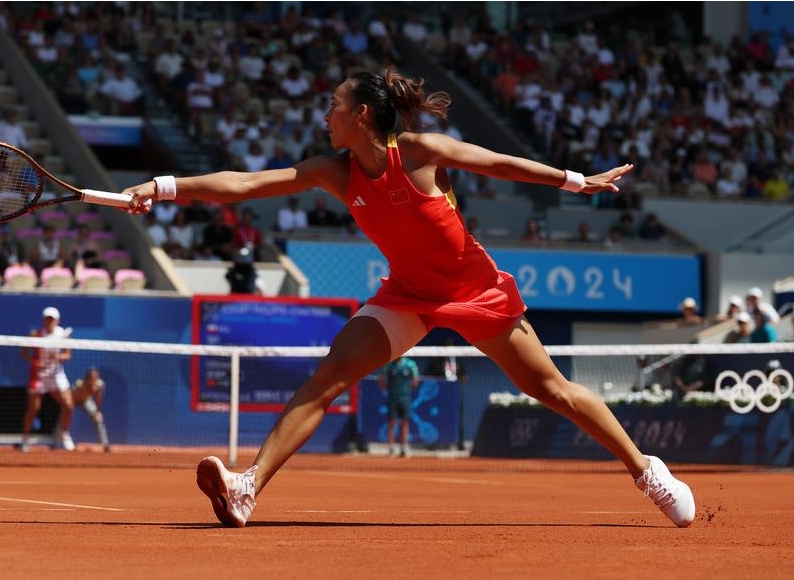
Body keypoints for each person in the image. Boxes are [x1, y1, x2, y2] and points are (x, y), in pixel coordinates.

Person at [122, 67, 695, 529]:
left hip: (474, 290)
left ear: (361, 115)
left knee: (552, 390)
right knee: (329, 376)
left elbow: (498, 163)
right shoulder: (334, 171)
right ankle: (247, 488)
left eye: (334, 106)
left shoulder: (419, 152)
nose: (325, 116)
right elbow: (244, 184)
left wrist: (575, 180)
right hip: (409, 295)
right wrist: (161, 187)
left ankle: (647, 471)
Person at [18, 306, 75, 452]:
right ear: (43, 320)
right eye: (47, 319)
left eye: (52, 319)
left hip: (56, 375)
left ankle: (64, 433)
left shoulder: (63, 335)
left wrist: (58, 356)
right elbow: (24, 353)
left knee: (68, 405)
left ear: (57, 320)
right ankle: (25, 439)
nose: (50, 322)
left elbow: (68, 355)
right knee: (33, 408)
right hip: (39, 376)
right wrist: (36, 363)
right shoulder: (35, 334)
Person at [377, 356, 420, 458]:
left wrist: (406, 390)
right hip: (392, 398)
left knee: (405, 422)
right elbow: (381, 380)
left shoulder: (410, 364)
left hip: (405, 398)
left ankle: (404, 448)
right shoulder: (389, 365)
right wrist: (390, 389)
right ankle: (391, 448)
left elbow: (415, 381)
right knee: (391, 422)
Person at [68, 366, 111, 452]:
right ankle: (56, 442)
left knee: (98, 419)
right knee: (64, 418)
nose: (94, 380)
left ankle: (105, 444)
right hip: (73, 400)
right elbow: (69, 396)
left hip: (86, 400)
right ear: (87, 378)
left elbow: (98, 398)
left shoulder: (99, 385)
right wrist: (68, 407)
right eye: (92, 378)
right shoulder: (79, 384)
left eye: (96, 377)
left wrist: (97, 411)